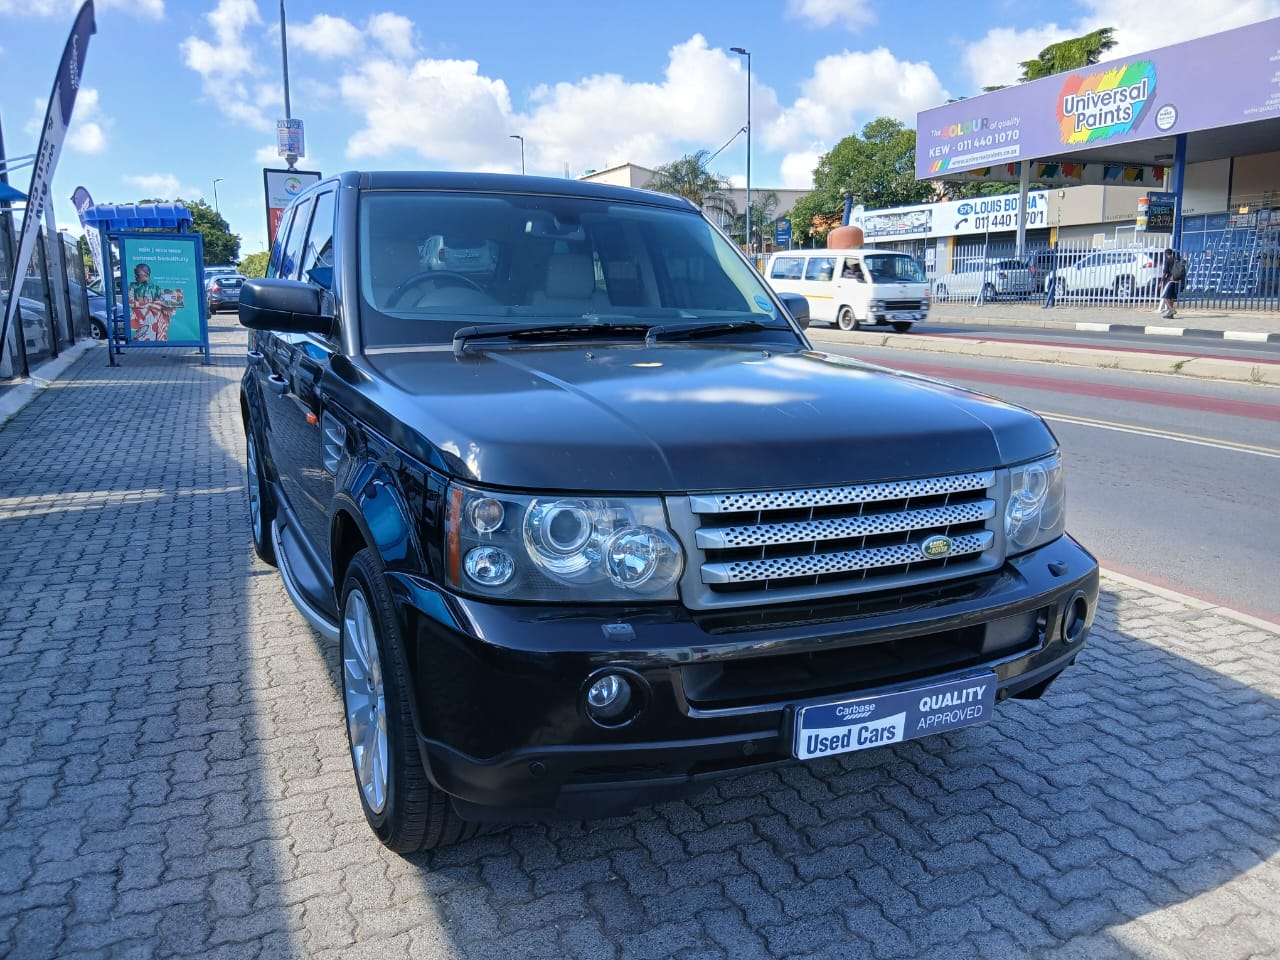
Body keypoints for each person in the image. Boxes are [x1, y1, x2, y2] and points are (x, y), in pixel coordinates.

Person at [1157, 248, 1180, 319]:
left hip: (1169, 280)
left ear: (1166, 254)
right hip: (1176, 280)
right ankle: (1170, 315)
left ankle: (1172, 310)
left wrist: (1161, 281)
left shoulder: (1168, 260)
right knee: (1171, 297)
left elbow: (1165, 272)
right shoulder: (1175, 259)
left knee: (1164, 297)